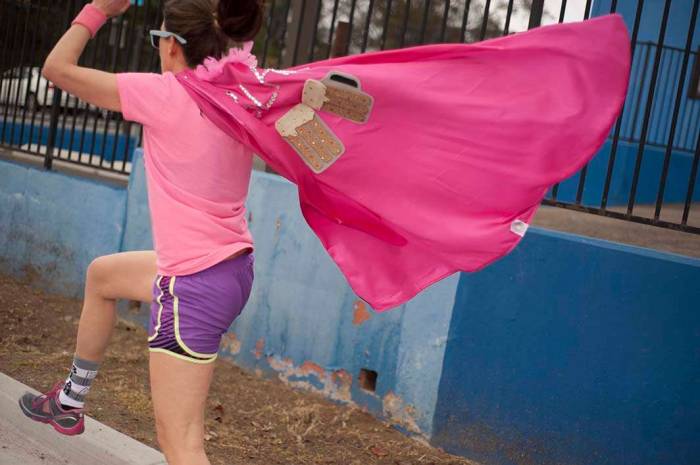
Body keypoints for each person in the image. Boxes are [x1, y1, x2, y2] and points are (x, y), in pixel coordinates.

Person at [17, 1, 261, 464]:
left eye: (157, 39)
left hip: (191, 285)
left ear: (172, 46)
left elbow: (56, 69)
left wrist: (97, 10)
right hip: (227, 268)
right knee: (104, 276)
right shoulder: (236, 95)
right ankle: (70, 402)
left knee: (182, 444)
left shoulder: (165, 93)